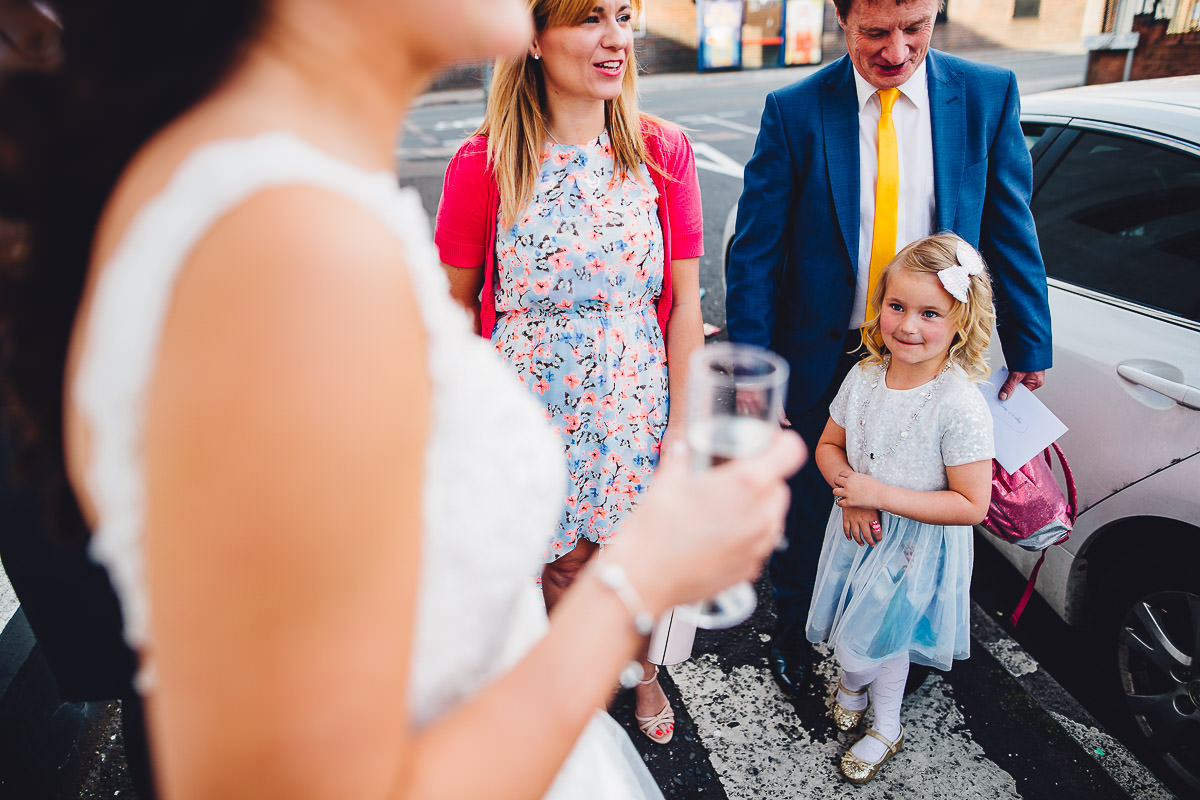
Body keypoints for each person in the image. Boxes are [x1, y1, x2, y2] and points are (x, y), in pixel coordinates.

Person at [0, 1, 804, 798]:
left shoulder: (302, 197)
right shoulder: (273, 238)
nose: (615, 32)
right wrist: (643, 573)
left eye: (625, 13)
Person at [724, 0, 1052, 697]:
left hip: (929, 360)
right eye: (876, 31)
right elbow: (755, 251)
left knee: (911, 515)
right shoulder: (796, 110)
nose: (898, 50)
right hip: (823, 353)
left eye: (916, 28)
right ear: (842, 17)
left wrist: (1031, 341)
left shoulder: (985, 96)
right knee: (811, 509)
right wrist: (754, 369)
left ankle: (890, 646)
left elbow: (1011, 224)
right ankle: (795, 633)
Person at [435, 0, 704, 745]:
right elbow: (453, 313)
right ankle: (574, 695)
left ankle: (642, 674)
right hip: (531, 416)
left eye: (623, 15)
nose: (616, 38)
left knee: (633, 564)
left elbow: (686, 309)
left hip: (635, 406)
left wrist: (683, 430)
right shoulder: (482, 162)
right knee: (561, 568)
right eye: (590, 18)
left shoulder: (664, 151)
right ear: (533, 39)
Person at [806, 233, 994, 783]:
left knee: (878, 646)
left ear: (961, 321)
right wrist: (850, 491)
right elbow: (828, 446)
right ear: (880, 306)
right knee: (860, 631)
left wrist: (878, 496)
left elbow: (971, 504)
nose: (908, 326)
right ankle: (860, 692)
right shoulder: (864, 377)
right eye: (897, 307)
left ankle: (882, 720)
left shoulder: (959, 406)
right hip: (855, 532)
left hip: (914, 548)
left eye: (930, 313)